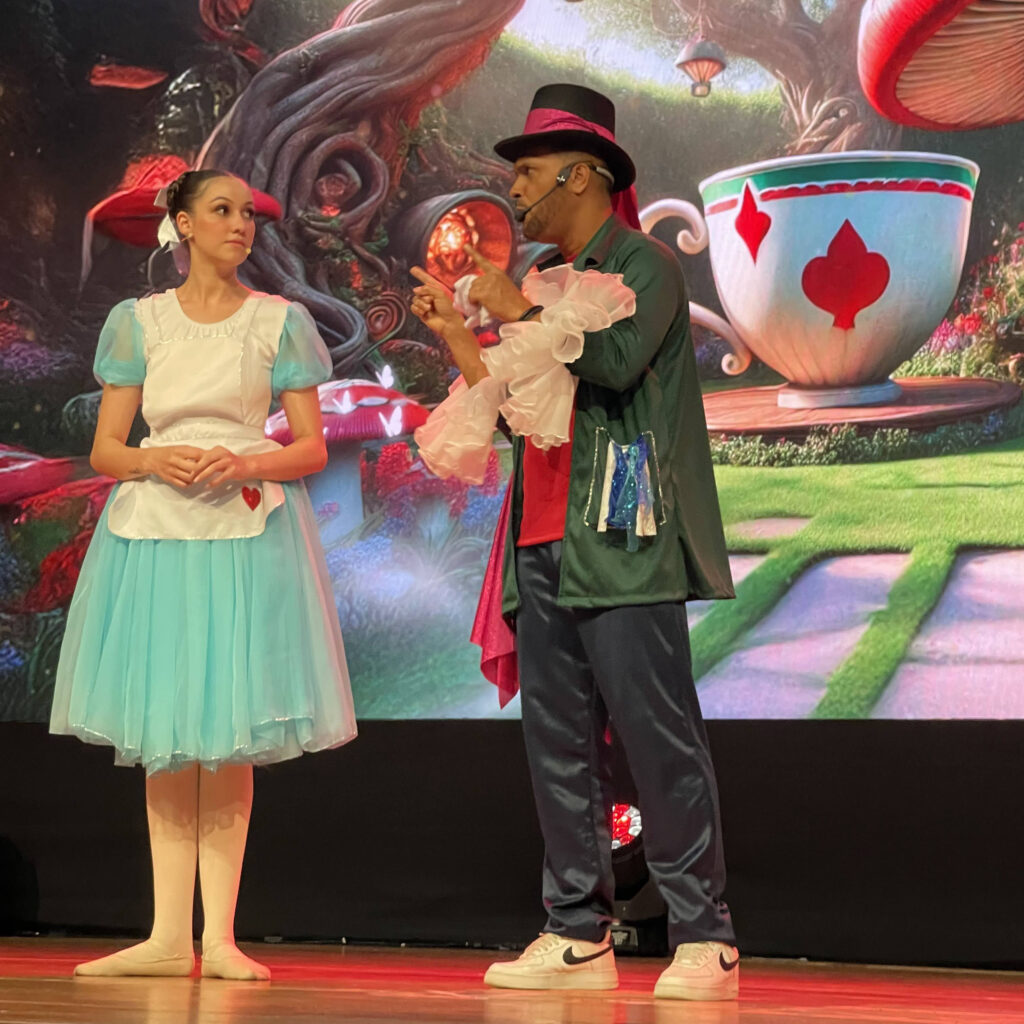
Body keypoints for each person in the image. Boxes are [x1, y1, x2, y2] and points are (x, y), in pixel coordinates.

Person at [410, 83, 739, 1001]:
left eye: (528, 173)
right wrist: (463, 336)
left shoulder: (644, 267)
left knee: (657, 736)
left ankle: (704, 934)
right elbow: (515, 408)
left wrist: (516, 308)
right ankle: (576, 931)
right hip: (540, 539)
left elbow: (614, 363)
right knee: (557, 743)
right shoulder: (546, 283)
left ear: (581, 175)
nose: (514, 191)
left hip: (621, 534)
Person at [50, 169, 357, 981]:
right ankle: (165, 936)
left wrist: (244, 459)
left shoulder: (276, 321)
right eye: (221, 211)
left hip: (244, 528)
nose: (240, 224)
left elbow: (311, 447)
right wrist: (155, 459)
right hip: (155, 530)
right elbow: (106, 449)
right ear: (182, 224)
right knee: (165, 731)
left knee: (226, 733)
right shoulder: (140, 321)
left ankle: (218, 936)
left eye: (247, 213)